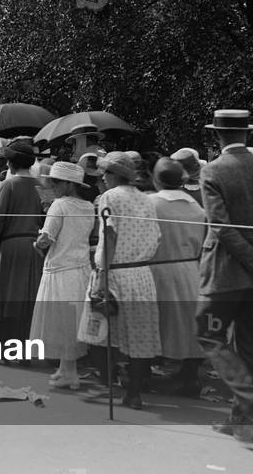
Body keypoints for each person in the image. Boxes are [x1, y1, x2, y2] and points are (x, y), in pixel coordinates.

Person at [196, 109, 253, 442]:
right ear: (246, 133)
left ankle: (246, 404)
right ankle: (241, 420)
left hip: (227, 273)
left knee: (208, 334)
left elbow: (220, 227)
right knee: (247, 345)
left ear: (217, 136)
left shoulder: (214, 170)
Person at [95, 151, 162, 409]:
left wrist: (103, 272)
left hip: (116, 272)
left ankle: (107, 386)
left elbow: (109, 234)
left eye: (105, 173)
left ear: (115, 175)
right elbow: (157, 237)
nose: (102, 177)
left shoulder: (109, 197)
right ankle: (134, 391)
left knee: (101, 330)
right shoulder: (146, 200)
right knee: (140, 335)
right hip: (142, 273)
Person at [29, 161, 94, 389]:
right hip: (81, 268)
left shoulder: (59, 205)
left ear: (68, 184)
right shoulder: (88, 207)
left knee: (61, 322)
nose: (52, 186)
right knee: (71, 321)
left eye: (56, 182)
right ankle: (66, 369)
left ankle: (70, 373)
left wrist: (37, 242)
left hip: (61, 268)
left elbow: (47, 237)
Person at [148, 157, 206, 398]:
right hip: (191, 269)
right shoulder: (196, 207)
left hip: (159, 268)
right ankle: (190, 377)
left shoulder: (150, 203)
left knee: (156, 323)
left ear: (157, 179)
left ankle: (145, 375)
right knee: (189, 324)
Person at [0, 139, 44, 348]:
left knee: (4, 295)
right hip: (34, 245)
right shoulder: (41, 186)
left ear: (13, 163)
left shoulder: (8, 184)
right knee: (27, 297)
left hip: (10, 244)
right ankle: (23, 347)